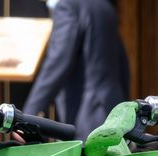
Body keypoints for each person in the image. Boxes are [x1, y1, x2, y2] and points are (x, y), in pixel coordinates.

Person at [22, 0, 131, 140]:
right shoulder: (104, 5)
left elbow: (58, 61)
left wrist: (29, 115)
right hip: (112, 109)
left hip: (85, 116)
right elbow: (122, 63)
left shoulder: (67, 7)